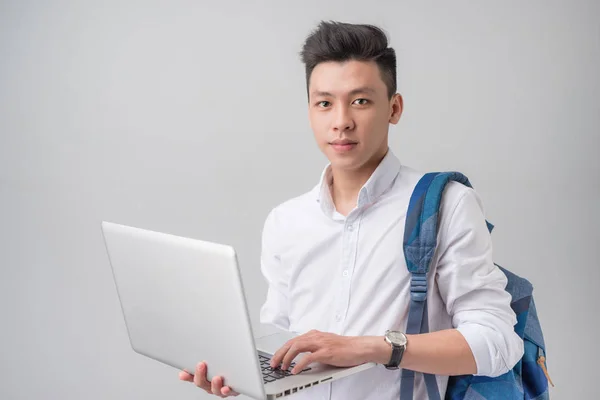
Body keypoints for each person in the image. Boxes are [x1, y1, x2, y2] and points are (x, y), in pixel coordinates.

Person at [179, 20, 524, 399]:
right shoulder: (285, 221)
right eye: (324, 103)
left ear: (394, 108)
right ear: (310, 110)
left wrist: (373, 347)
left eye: (360, 101)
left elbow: (497, 343)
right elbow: (279, 340)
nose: (341, 121)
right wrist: (239, 376)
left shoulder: (446, 204)